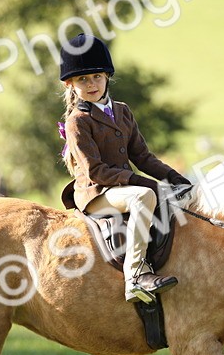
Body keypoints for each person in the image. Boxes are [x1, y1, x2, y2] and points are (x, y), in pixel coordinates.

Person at [57, 34, 192, 303]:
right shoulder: (78, 121)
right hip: (96, 194)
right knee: (144, 197)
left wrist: (173, 177)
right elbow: (96, 171)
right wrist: (143, 183)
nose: (92, 84)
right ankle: (135, 277)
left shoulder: (122, 111)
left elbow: (142, 156)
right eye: (83, 79)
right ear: (70, 84)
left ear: (107, 76)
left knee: (177, 197)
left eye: (96, 76)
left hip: (122, 189)